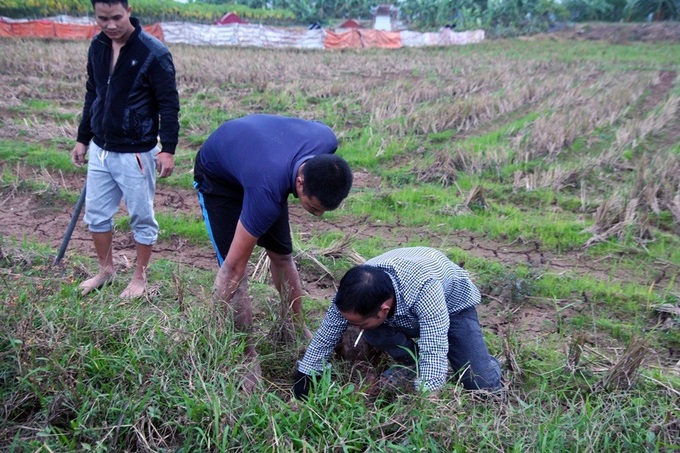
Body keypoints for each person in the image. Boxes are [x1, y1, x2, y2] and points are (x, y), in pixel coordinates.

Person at [193, 114, 353, 390]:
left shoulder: (327, 141)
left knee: (281, 255)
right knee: (237, 275)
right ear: (300, 183)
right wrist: (211, 329)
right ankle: (246, 355)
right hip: (219, 177)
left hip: (262, 164)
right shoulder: (267, 193)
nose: (317, 217)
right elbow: (232, 270)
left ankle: (295, 325)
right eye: (313, 208)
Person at [70, 0, 179, 299]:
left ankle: (139, 279)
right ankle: (106, 270)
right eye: (102, 19)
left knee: (141, 217)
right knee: (96, 216)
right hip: (101, 149)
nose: (111, 25)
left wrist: (167, 148)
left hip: (136, 153)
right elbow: (93, 92)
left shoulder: (153, 53)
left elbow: (168, 104)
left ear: (129, 10)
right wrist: (83, 137)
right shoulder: (98, 46)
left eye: (116, 17)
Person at [294, 246, 501, 399]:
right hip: (401, 309)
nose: (353, 328)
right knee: (372, 331)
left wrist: (426, 400)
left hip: (453, 307)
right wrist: (304, 380)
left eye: (359, 323)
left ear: (383, 310)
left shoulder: (425, 288)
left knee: (480, 384)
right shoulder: (355, 291)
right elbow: (326, 335)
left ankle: (488, 363)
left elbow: (434, 345)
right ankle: (412, 363)